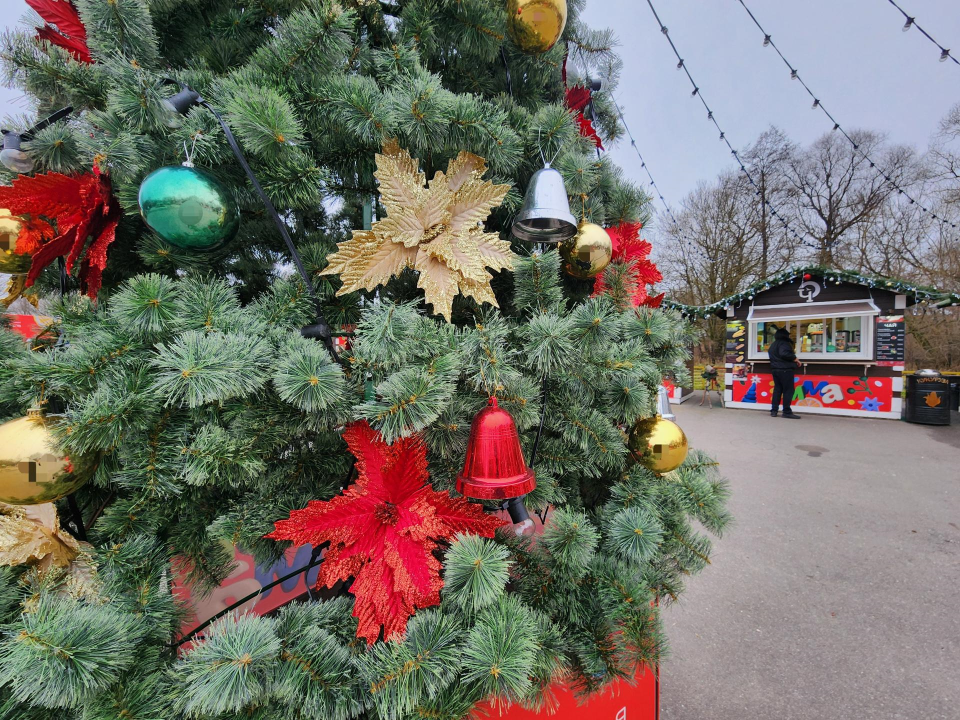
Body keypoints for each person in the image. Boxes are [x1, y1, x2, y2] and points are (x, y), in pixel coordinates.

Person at [768, 327, 802, 419]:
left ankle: (774, 411)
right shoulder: (784, 343)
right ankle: (786, 411)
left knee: (777, 390)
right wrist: (794, 358)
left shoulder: (773, 344)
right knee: (788, 391)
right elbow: (784, 354)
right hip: (785, 369)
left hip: (775, 369)